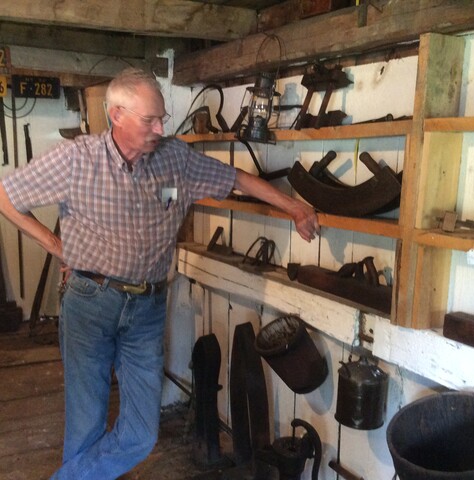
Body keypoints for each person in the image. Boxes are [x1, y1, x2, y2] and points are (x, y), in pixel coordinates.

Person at [0, 68, 319, 479]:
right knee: (87, 424)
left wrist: (292, 207)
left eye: (162, 118)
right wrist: (56, 245)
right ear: (116, 115)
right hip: (90, 303)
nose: (160, 127)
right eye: (150, 119)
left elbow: (234, 178)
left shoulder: (174, 159)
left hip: (147, 307)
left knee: (141, 433)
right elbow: (7, 198)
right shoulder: (76, 159)